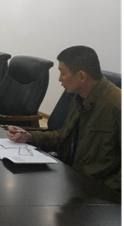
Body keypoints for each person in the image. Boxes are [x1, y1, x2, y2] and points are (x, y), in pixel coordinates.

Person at [7, 46, 121, 190]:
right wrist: (30, 137)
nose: (60, 79)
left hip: (96, 191)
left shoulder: (116, 105)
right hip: (70, 179)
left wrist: (105, 190)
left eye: (63, 73)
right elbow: (65, 135)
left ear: (81, 76)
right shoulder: (79, 97)